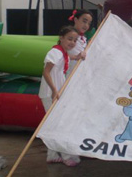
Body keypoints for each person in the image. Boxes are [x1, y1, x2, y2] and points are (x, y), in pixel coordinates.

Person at [38, 25, 81, 167]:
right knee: (58, 125)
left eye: (75, 40)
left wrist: (79, 56)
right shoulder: (55, 52)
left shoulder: (62, 52)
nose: (72, 42)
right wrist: (55, 90)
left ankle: (52, 155)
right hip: (51, 93)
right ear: (61, 38)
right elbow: (46, 72)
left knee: (53, 125)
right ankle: (66, 155)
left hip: (56, 92)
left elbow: (70, 57)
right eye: (69, 39)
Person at [67, 9, 93, 76]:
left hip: (80, 76)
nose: (86, 25)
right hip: (68, 77)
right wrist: (75, 57)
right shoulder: (68, 36)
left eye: (89, 23)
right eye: (84, 21)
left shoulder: (84, 39)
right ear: (75, 20)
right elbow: (59, 55)